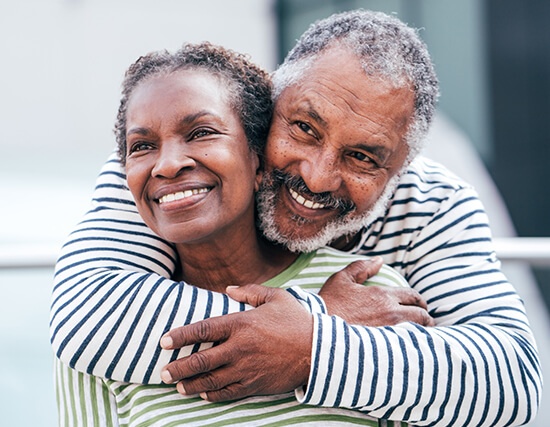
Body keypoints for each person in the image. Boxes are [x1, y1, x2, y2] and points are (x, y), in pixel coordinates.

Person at [50, 9, 542, 426]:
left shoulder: (434, 203)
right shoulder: (172, 176)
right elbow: (85, 316)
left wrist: (311, 348)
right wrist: (318, 321)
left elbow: (509, 382)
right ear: (268, 105)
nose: (319, 176)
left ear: (399, 172)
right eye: (304, 128)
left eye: (363, 158)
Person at [55, 41, 418, 426]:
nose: (168, 164)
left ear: (258, 157)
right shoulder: (102, 340)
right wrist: (322, 321)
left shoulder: (372, 295)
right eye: (142, 146)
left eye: (201, 132)